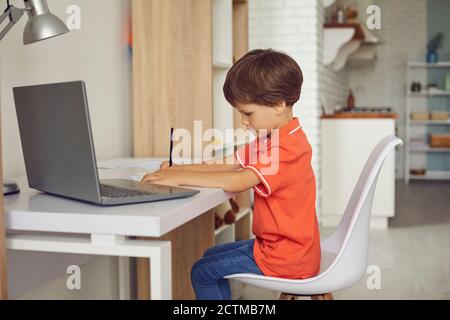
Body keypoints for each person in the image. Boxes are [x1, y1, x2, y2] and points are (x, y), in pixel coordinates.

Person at [142, 49, 321, 300]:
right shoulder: (273, 137)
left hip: (286, 256)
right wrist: (177, 169)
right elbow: (228, 163)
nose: (243, 122)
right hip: (286, 248)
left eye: (247, 113)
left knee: (202, 271)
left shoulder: (287, 148)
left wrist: (178, 178)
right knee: (209, 256)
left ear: (279, 105)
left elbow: (236, 181)